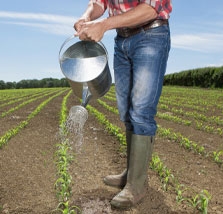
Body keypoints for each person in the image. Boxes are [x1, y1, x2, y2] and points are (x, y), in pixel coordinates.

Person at [74, 0, 172, 209]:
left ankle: (137, 185)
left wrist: (105, 24)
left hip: (151, 36)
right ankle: (131, 172)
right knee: (127, 111)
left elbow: (150, 9)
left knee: (141, 110)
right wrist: (87, 17)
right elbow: (99, 3)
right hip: (122, 40)